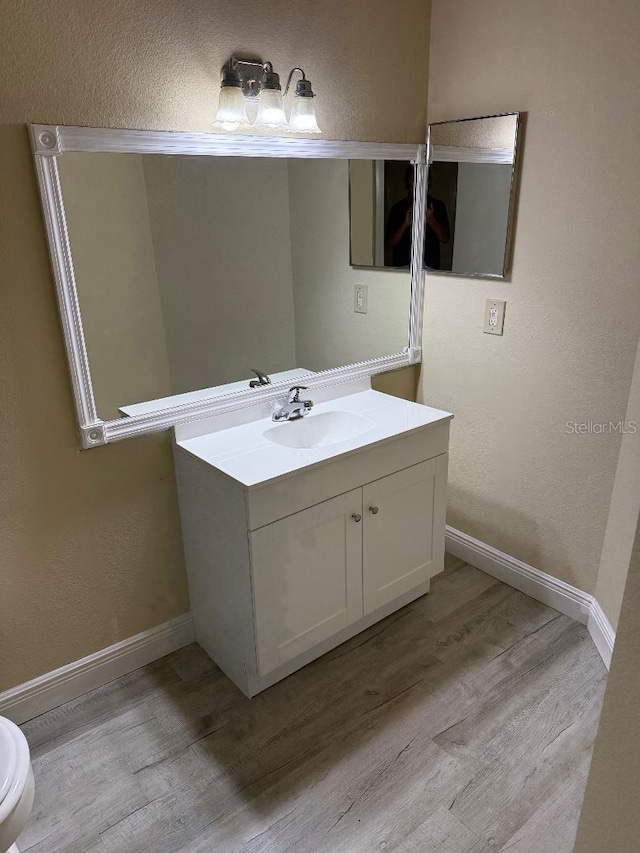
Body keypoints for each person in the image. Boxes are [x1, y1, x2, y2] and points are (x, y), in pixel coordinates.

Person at [385, 166, 450, 269]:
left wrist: (431, 221)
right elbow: (389, 243)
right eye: (412, 180)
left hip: (430, 267)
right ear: (407, 182)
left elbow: (445, 238)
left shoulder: (437, 206)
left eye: (422, 180)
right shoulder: (397, 208)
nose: (417, 184)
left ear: (428, 182)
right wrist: (405, 224)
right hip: (402, 266)